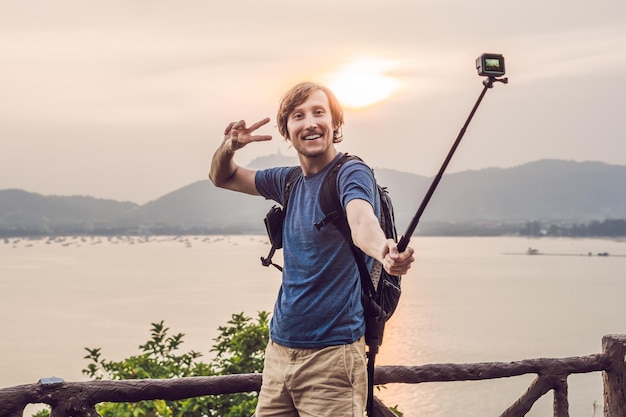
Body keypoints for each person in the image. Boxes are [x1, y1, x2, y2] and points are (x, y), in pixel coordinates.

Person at [209, 81, 415, 416]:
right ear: (286, 131)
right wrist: (228, 147)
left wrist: (385, 251)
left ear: (335, 124)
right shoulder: (286, 181)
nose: (310, 122)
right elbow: (222, 176)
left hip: (333, 362)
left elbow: (361, 222)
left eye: (319, 112)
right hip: (279, 355)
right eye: (298, 116)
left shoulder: (351, 173)